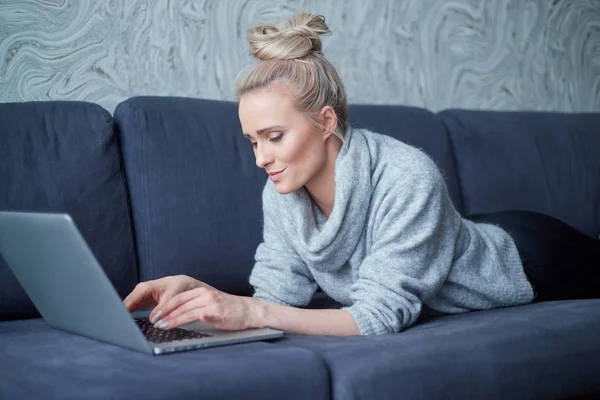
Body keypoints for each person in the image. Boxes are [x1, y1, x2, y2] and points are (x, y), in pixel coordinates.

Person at [123, 13, 600, 336]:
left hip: (529, 256)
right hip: (462, 230)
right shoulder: (283, 189)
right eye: (253, 141)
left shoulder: (408, 175)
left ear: (326, 122)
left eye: (273, 136)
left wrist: (252, 310)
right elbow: (274, 297)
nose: (260, 158)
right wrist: (201, 292)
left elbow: (377, 317)